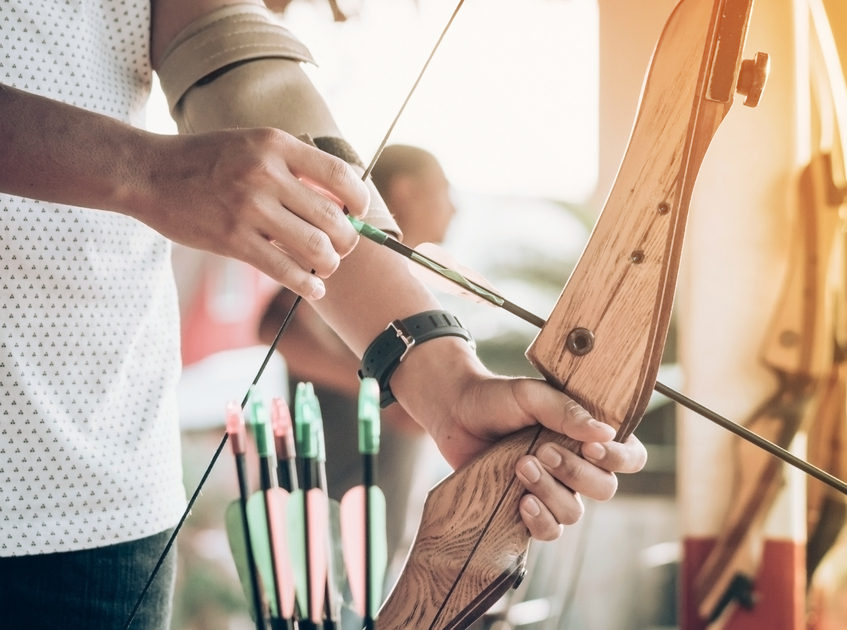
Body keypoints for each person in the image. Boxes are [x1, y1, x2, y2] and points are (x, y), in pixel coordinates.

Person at [0, 1, 647, 628]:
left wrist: (446, 385)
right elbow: (275, 316)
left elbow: (218, 40)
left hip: (100, 489)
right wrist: (143, 169)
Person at [259, 144, 455, 568]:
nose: (455, 209)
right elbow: (277, 327)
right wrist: (390, 389)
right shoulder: (343, 265)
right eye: (445, 191)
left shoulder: (404, 286)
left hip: (375, 535)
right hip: (330, 530)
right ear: (405, 191)